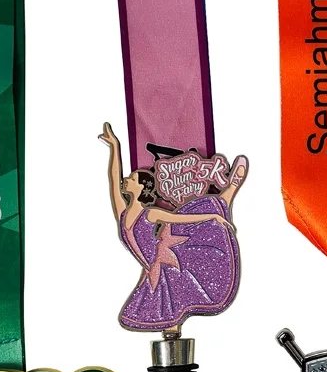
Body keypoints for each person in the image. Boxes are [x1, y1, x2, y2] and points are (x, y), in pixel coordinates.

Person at [99, 123, 247, 331]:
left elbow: (181, 219)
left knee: (197, 210)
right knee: (166, 314)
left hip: (166, 265)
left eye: (132, 178)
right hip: (156, 271)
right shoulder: (122, 213)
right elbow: (114, 179)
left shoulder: (149, 214)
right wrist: (115, 147)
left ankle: (229, 191)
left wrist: (213, 216)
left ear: (141, 187)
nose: (127, 180)